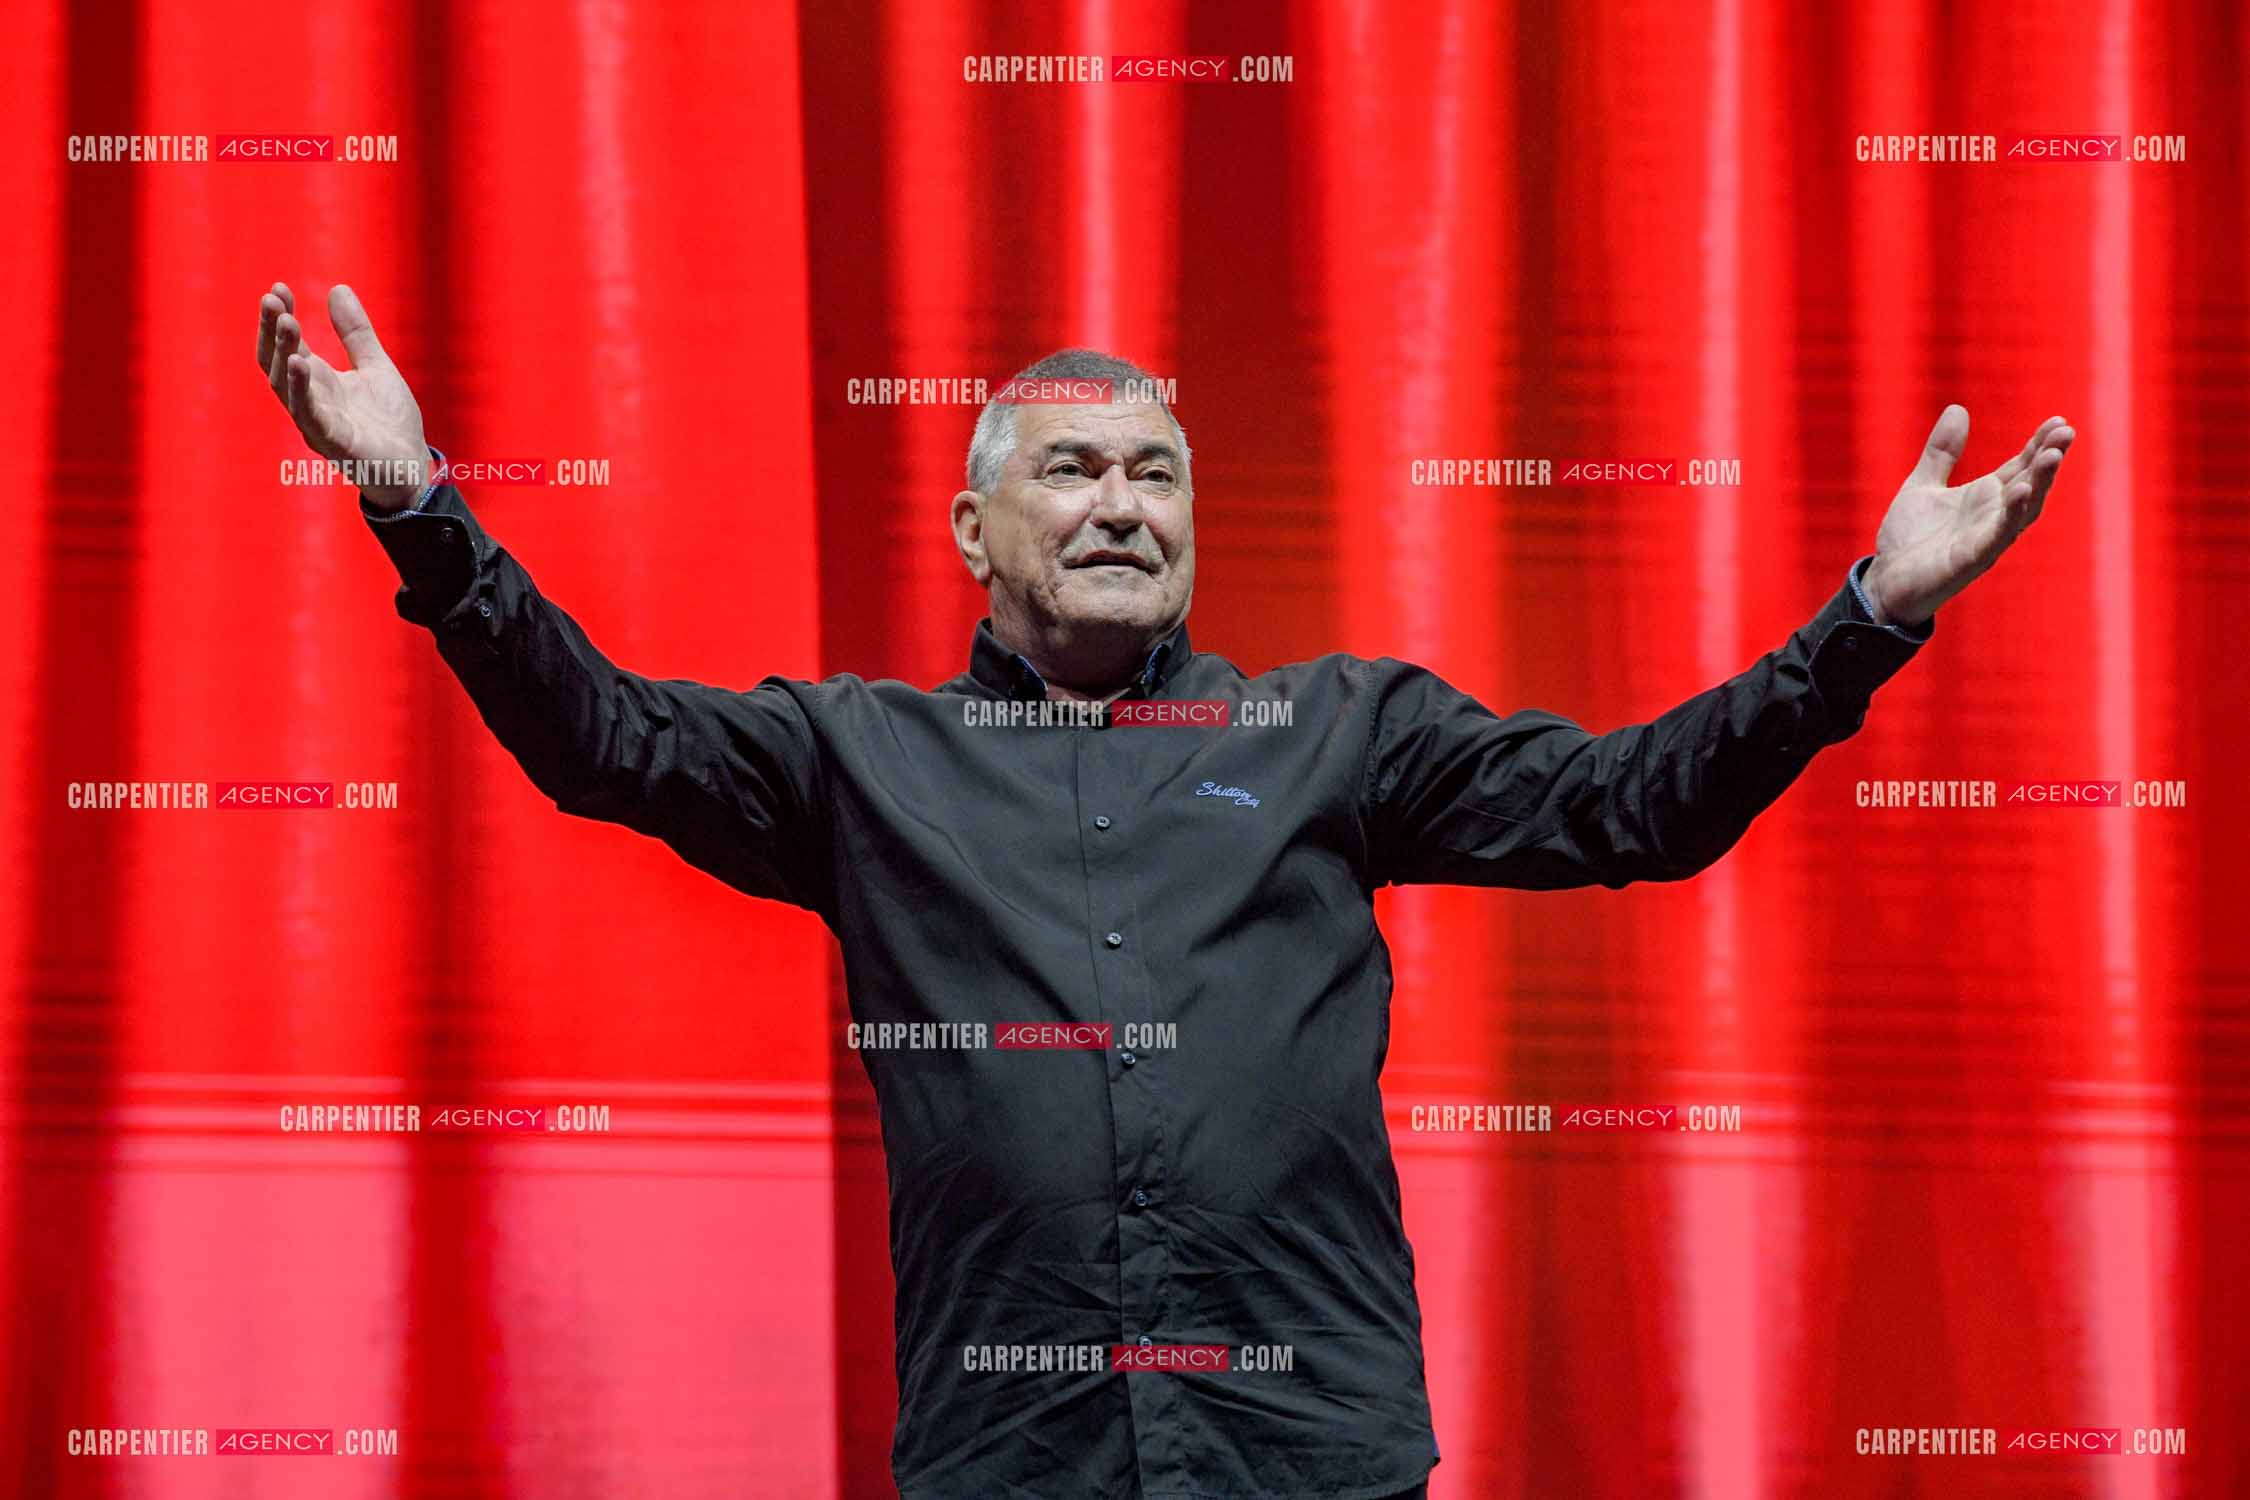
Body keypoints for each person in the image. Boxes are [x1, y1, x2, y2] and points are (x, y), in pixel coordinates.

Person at [254, 281, 2074, 1500]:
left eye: (1155, 473)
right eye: (1071, 471)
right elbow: (601, 738)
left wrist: (1867, 618)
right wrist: (418, 507)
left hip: (1307, 1445)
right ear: (974, 533)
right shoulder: (856, 759)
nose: (1122, 505)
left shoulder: (1342, 731)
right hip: (1015, 1451)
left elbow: (1634, 810)